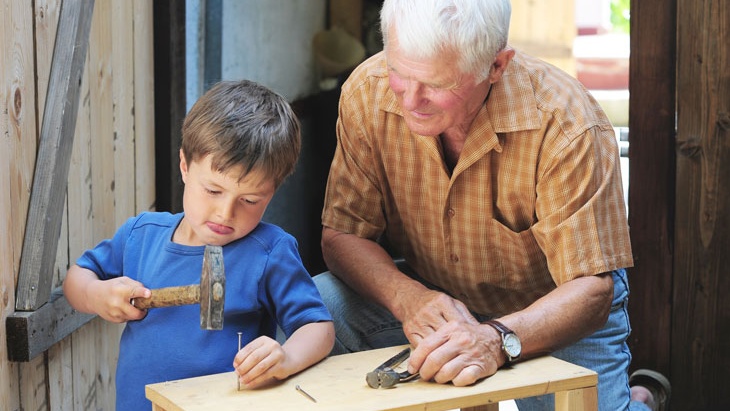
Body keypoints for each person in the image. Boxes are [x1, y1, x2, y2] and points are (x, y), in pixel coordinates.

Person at [314, 0, 670, 410]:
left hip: (552, 309)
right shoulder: (366, 89)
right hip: (434, 293)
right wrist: (407, 298)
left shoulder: (568, 121)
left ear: (496, 66)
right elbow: (342, 234)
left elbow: (591, 291)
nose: (410, 99)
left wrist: (495, 339)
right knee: (322, 302)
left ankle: (640, 400)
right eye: (399, 72)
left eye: (437, 84)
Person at [63, 80, 334, 410]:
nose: (225, 212)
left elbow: (317, 327)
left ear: (271, 193)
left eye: (249, 199)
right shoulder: (141, 236)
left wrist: (286, 357)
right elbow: (77, 278)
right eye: (213, 191)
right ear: (184, 166)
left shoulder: (269, 252)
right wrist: (96, 295)